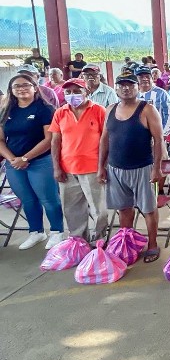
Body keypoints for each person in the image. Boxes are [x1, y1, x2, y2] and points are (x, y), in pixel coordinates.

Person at [98, 75, 163, 263]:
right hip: (116, 168)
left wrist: (157, 168)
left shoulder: (147, 109)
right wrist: (101, 166)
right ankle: (127, 243)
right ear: (116, 88)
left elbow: (158, 140)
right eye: (121, 85)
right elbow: (104, 139)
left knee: (148, 209)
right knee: (124, 209)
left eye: (130, 85)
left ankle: (152, 244)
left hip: (143, 168)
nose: (126, 89)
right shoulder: (110, 109)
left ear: (137, 87)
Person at [0, 74, 64, 250]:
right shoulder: (6, 111)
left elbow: (49, 139)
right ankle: (36, 231)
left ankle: (57, 232)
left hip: (40, 161)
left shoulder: (45, 109)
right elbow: (1, 140)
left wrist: (25, 158)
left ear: (35, 87)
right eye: (17, 86)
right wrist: (13, 159)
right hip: (14, 164)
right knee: (27, 199)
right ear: (11, 91)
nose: (22, 88)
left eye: (26, 85)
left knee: (49, 198)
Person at [50, 77, 108, 244]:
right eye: (68, 92)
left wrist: (102, 167)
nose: (72, 95)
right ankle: (78, 242)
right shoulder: (60, 112)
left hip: (92, 168)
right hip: (67, 169)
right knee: (72, 209)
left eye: (77, 91)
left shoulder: (99, 110)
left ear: (86, 91)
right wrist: (56, 167)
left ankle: (99, 241)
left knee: (99, 209)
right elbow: (55, 141)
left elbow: (106, 140)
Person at [136, 66, 170, 136]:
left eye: (147, 76)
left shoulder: (161, 93)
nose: (145, 79)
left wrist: (164, 134)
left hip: (158, 134)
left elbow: (169, 114)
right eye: (141, 77)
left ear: (151, 78)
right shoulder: (133, 95)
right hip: (138, 135)